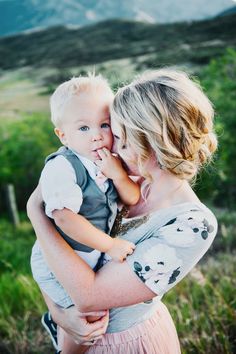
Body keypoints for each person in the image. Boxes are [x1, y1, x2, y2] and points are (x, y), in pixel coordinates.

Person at [27, 68, 218, 354]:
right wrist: (58, 315)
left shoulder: (192, 224)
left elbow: (89, 296)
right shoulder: (123, 178)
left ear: (154, 143)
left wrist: (35, 212)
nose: (109, 146)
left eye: (119, 138)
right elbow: (55, 253)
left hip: (130, 344)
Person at [30, 75, 139, 347]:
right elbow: (64, 218)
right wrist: (110, 245)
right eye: (83, 128)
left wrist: (119, 177)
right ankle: (61, 335)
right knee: (85, 315)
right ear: (62, 134)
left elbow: (132, 198)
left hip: (86, 253)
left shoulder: (109, 161)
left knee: (96, 305)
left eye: (104, 125)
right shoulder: (63, 167)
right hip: (57, 259)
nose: (96, 135)